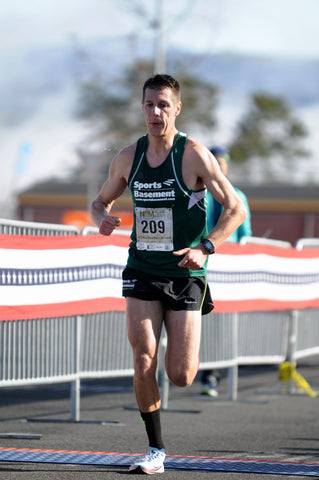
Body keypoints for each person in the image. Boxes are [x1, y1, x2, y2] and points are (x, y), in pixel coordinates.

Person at [91, 74, 247, 475]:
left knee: (181, 374)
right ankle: (155, 450)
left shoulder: (193, 155)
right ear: (141, 107)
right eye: (149, 105)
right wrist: (103, 218)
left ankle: (188, 344)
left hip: (185, 271)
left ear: (177, 108)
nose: (155, 113)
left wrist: (205, 247)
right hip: (142, 267)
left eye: (163, 105)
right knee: (143, 356)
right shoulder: (129, 157)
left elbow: (235, 208)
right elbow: (99, 201)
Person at [201, 145, 252, 397]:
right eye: (213, 162)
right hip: (202, 267)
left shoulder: (238, 196)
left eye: (222, 162)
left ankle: (213, 374)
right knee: (200, 322)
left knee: (222, 325)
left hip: (228, 272)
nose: (218, 167)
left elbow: (245, 237)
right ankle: (200, 371)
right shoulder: (197, 191)